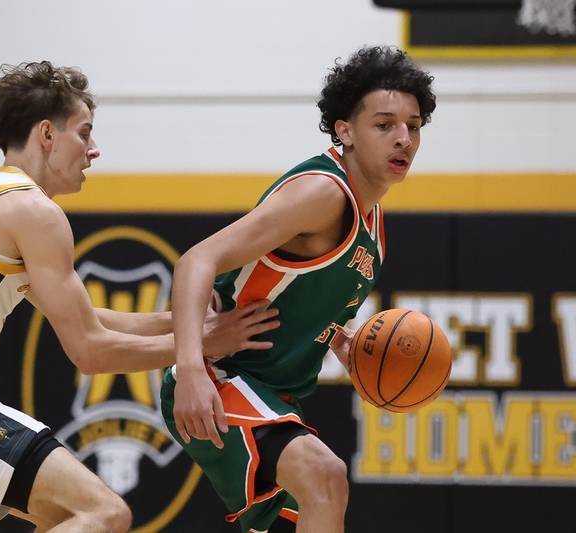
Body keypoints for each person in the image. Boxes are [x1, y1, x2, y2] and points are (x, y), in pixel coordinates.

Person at [0, 61, 280, 532]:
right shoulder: (34, 213)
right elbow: (91, 351)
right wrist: (200, 347)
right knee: (101, 513)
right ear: (46, 134)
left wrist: (188, 325)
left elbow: (94, 320)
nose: (94, 150)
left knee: (66, 515)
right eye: (84, 133)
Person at [162, 45, 436, 533]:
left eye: (413, 126)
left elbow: (297, 297)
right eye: (385, 124)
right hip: (220, 375)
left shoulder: (372, 221)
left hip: (273, 393)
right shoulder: (322, 194)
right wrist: (189, 370)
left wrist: (344, 343)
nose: (404, 139)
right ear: (344, 130)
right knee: (326, 478)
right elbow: (195, 262)